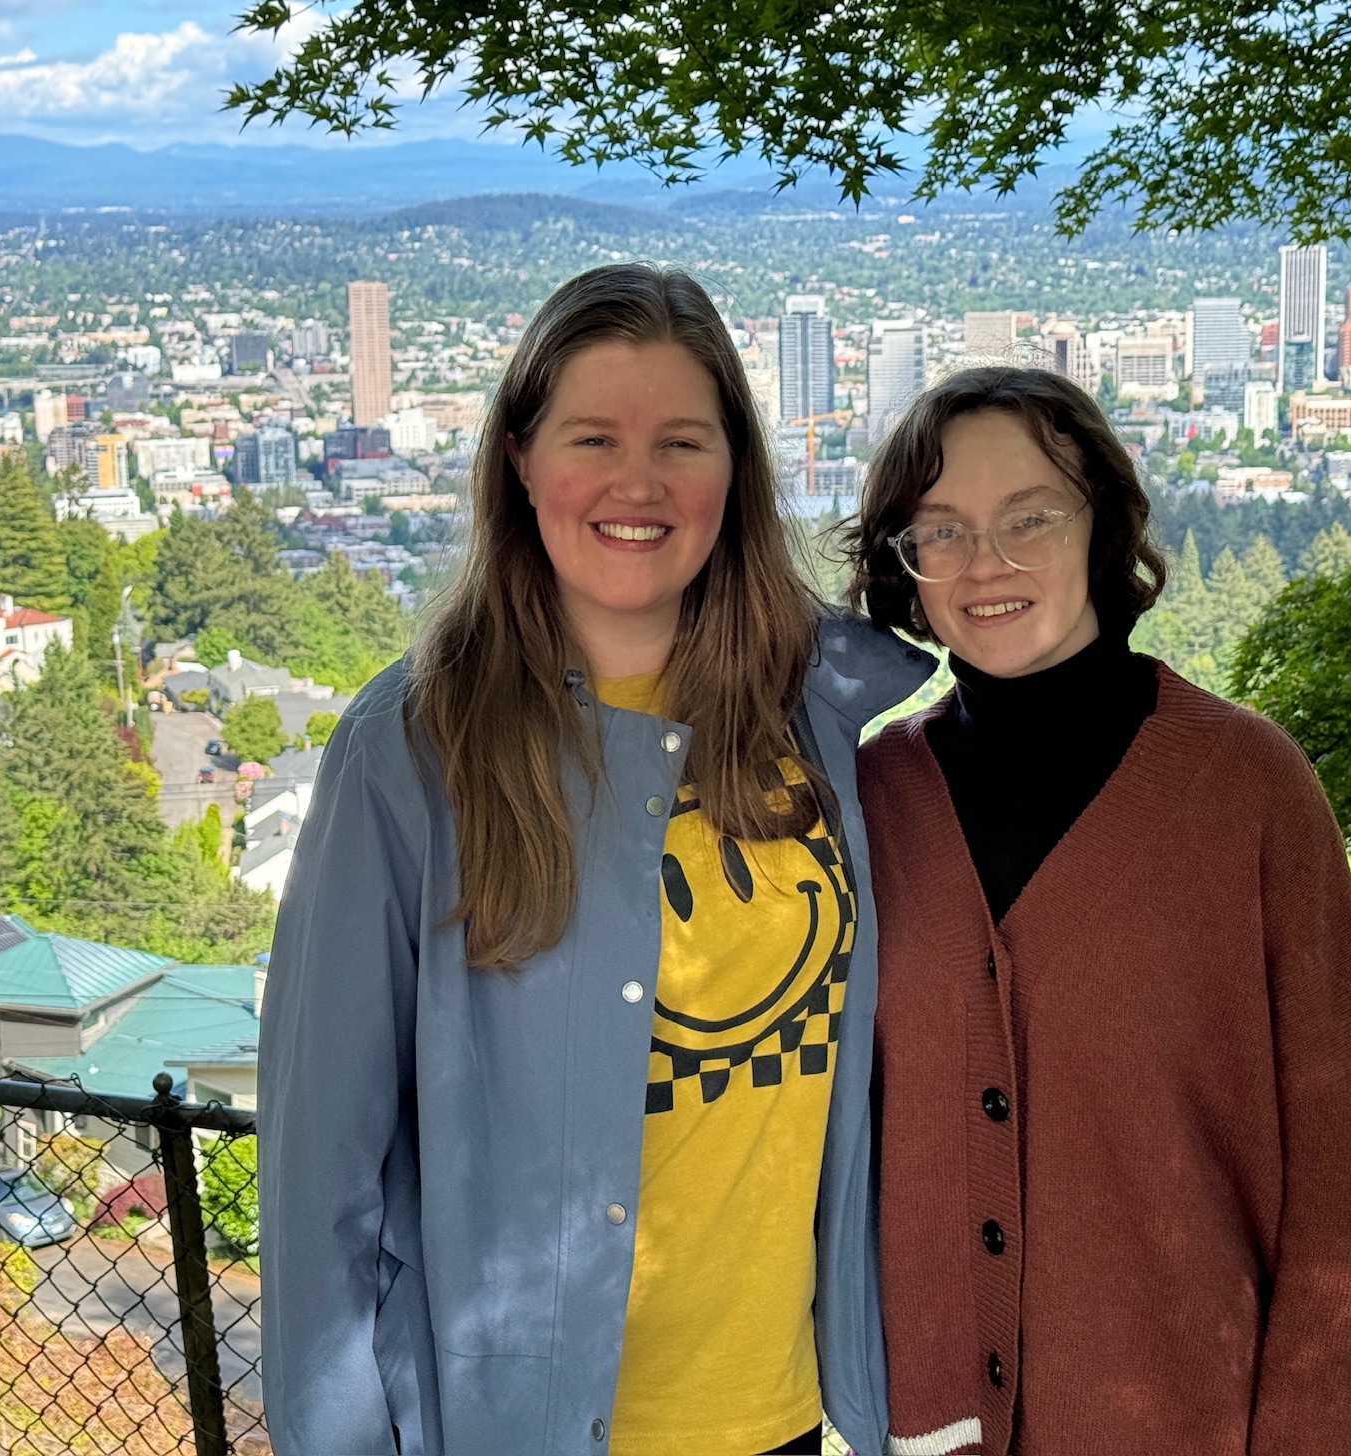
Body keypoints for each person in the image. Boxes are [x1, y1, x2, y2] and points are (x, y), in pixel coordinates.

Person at [258, 264, 934, 1455]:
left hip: (779, 1417)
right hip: (528, 1429)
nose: (638, 483)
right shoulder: (410, 752)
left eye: (683, 440)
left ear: (735, 469)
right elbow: (322, 1176)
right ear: (519, 459)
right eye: (592, 437)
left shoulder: (811, 707)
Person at [844, 366, 1351, 1456]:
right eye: (940, 531)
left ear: (1102, 524)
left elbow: (1347, 1171)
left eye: (1027, 519)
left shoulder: (1244, 787)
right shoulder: (870, 798)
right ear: (904, 568)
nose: (984, 564)